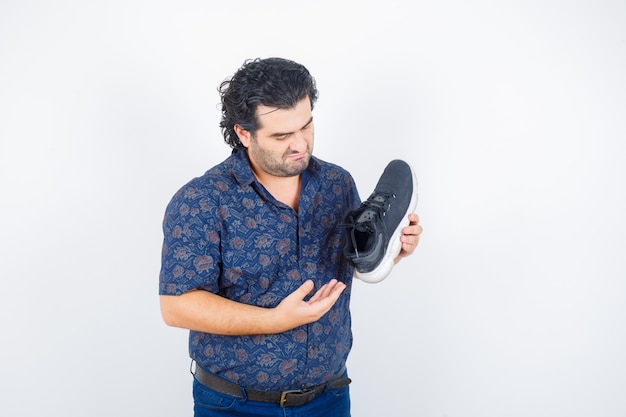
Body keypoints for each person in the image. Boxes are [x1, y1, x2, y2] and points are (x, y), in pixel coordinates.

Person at [159, 57, 423, 416]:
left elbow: (344, 264)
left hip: (328, 398)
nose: (300, 143)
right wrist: (275, 320)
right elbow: (176, 306)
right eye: (282, 136)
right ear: (243, 133)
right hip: (234, 405)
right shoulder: (202, 200)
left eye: (306, 125)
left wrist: (390, 251)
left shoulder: (337, 183)